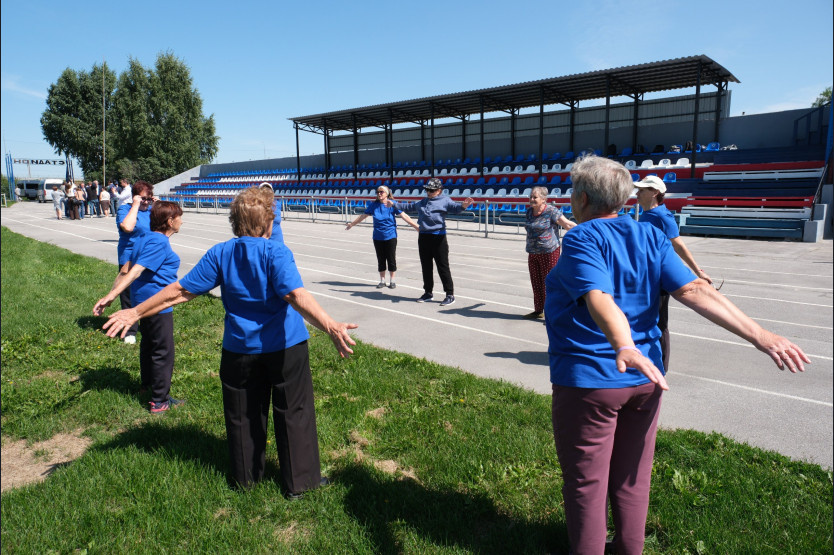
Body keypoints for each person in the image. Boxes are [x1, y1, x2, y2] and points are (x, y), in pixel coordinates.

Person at [545, 155, 809, 554]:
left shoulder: (582, 238)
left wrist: (623, 345)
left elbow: (597, 295)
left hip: (594, 379)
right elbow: (694, 290)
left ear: (581, 198)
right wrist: (760, 335)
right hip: (648, 378)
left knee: (586, 483)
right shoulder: (649, 235)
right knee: (633, 477)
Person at [102, 186, 358, 497]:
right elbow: (294, 294)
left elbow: (180, 291)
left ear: (234, 222)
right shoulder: (276, 251)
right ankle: (300, 482)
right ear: (267, 222)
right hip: (285, 348)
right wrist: (330, 325)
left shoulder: (221, 253)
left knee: (243, 414)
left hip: (239, 351)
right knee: (294, 410)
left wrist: (135, 312)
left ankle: (246, 479)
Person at [93, 201, 184, 412]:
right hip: (157, 303)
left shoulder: (144, 237)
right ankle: (159, 400)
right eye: (179, 216)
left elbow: (125, 268)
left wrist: (111, 295)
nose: (182, 220)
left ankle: (147, 387)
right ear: (170, 221)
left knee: (149, 344)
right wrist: (112, 296)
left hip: (141, 300)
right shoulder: (159, 242)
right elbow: (135, 271)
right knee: (163, 350)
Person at [635, 175, 713, 372]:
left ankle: (661, 366)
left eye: (642, 189)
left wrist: (698, 271)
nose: (637, 192)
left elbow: (678, 245)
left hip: (659, 279)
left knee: (659, 323)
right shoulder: (646, 215)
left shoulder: (662, 216)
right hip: (644, 277)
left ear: (654, 193)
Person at [387, 177, 474, 306]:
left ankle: (450, 294)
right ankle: (428, 292)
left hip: (438, 237)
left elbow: (455, 208)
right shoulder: (423, 202)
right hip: (424, 237)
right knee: (426, 266)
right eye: (427, 190)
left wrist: (463, 205)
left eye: (432, 190)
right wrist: (394, 204)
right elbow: (409, 206)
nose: (429, 192)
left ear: (439, 190)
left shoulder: (444, 200)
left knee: (442, 266)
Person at [345, 184, 419, 288]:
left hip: (390, 235)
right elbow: (363, 216)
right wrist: (352, 224)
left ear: (387, 194)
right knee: (381, 258)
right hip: (377, 236)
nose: (379, 194)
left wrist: (416, 226)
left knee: (391, 258)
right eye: (378, 192)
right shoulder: (373, 205)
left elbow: (404, 215)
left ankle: (392, 281)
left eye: (381, 192)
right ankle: (382, 280)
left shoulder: (392, 204)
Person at [523, 186, 575, 319]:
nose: (532, 199)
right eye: (531, 197)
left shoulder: (551, 211)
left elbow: (567, 225)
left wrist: (585, 229)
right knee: (536, 282)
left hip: (549, 252)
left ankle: (552, 313)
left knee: (550, 283)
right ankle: (539, 310)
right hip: (533, 252)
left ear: (544, 199)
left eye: (535, 197)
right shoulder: (529, 212)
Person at [116, 180, 155, 344]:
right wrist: (135, 206)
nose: (146, 202)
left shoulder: (152, 211)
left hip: (148, 258)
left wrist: (159, 205)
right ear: (135, 197)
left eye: (149, 199)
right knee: (128, 295)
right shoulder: (125, 209)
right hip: (129, 259)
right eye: (143, 199)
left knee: (147, 293)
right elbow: (128, 227)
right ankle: (129, 330)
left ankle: (148, 326)